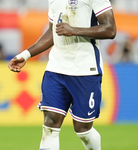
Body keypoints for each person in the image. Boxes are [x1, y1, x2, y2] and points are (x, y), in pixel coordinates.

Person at [8, 0, 116, 149]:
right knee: (50, 125)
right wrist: (26, 54)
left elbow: (110, 30)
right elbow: (53, 32)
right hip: (56, 68)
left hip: (85, 69)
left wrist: (75, 30)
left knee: (83, 130)